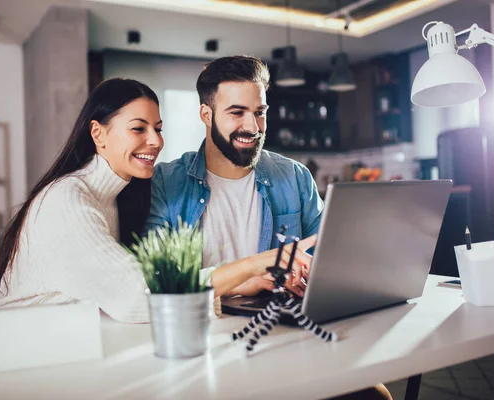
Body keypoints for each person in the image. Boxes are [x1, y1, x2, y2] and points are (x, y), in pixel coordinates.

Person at [144, 56, 392, 400]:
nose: (254, 126)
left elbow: (329, 258)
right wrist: (241, 282)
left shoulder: (293, 176)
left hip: (286, 334)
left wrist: (311, 274)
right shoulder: (167, 182)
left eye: (260, 112)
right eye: (237, 112)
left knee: (374, 394)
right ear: (205, 115)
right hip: (204, 343)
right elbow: (157, 283)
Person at [0, 78, 309, 323]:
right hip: (16, 358)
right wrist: (252, 265)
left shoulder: (114, 198)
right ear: (98, 134)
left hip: (65, 347)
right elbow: (138, 297)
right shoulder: (68, 200)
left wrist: (240, 285)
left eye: (157, 128)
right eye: (138, 129)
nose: (155, 142)